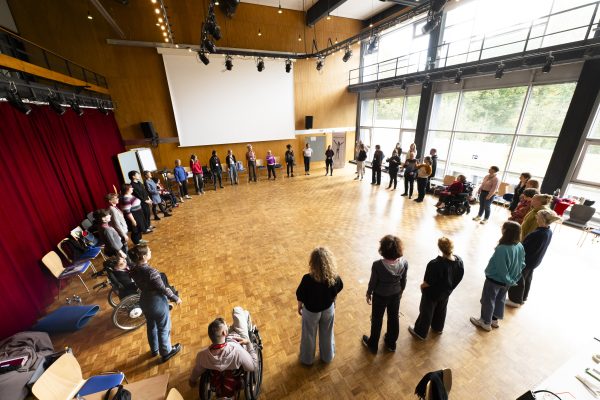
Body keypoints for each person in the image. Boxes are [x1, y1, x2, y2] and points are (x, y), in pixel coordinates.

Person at [129, 245, 182, 363]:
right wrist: (175, 298)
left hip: (144, 300)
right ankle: (166, 352)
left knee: (151, 326)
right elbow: (162, 288)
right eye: (149, 250)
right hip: (156, 302)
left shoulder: (133, 269)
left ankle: (154, 349)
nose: (151, 251)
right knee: (163, 327)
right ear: (143, 256)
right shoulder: (150, 272)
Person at [470, 221, 525, 332]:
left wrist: (508, 280)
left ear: (506, 231)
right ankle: (494, 320)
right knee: (500, 299)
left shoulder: (502, 248)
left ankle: (485, 322)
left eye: (503, 227)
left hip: (495, 279)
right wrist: (512, 280)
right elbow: (522, 264)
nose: (501, 228)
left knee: (488, 300)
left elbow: (501, 269)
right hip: (508, 282)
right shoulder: (520, 246)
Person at [188, 308, 258, 391]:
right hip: (240, 339)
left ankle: (237, 323)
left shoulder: (202, 355)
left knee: (239, 318)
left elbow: (197, 370)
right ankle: (248, 326)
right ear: (225, 333)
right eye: (226, 327)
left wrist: (192, 380)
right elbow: (253, 366)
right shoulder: (237, 352)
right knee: (238, 310)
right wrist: (248, 343)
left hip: (227, 339)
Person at [408, 237, 464, 340]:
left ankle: (420, 332)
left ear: (440, 249)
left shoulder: (435, 264)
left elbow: (427, 282)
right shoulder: (459, 261)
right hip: (446, 292)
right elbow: (458, 278)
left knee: (426, 312)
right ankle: (438, 328)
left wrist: (421, 286)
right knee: (441, 309)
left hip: (432, 294)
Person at [296, 247, 343, 365]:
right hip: (328, 309)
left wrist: (299, 306)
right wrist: (333, 299)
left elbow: (300, 295)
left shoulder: (307, 279)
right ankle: (327, 356)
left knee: (308, 335)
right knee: (327, 333)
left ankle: (307, 359)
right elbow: (338, 288)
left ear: (313, 263)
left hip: (311, 312)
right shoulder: (334, 278)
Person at [362, 235, 408, 354]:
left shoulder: (377, 265)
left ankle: (373, 345)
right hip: (395, 294)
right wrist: (401, 291)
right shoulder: (404, 263)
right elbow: (404, 280)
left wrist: (368, 293)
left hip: (380, 296)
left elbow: (373, 282)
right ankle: (391, 343)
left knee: (377, 319)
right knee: (393, 317)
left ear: (382, 250)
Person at [507, 209, 561, 308]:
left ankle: (515, 300)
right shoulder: (547, 231)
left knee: (518, 279)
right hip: (535, 260)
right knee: (527, 278)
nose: (536, 217)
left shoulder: (538, 233)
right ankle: (523, 297)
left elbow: (524, 247)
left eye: (538, 216)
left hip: (527, 260)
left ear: (542, 219)